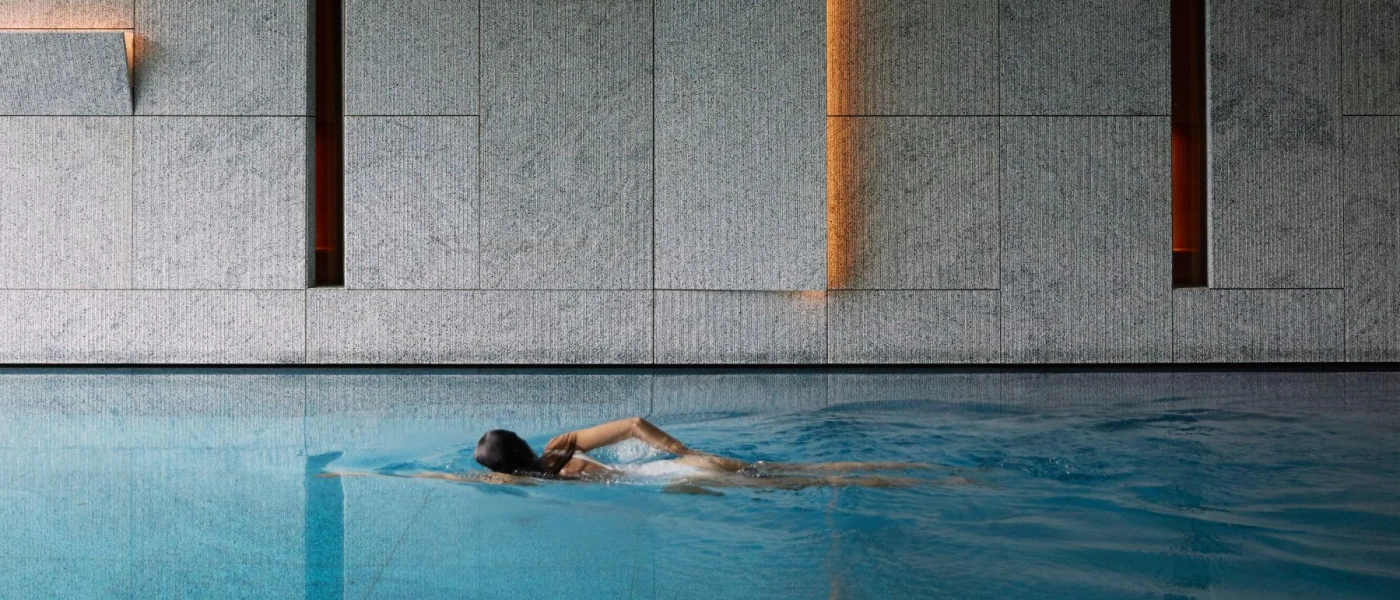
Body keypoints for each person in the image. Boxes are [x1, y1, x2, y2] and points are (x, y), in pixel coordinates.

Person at [467, 416, 946, 491]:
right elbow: (633, 423)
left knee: (813, 482)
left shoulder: (542, 481)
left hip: (682, 478)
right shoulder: (559, 447)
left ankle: (911, 482)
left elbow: (485, 479)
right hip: (684, 464)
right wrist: (684, 450)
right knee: (811, 470)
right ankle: (921, 470)